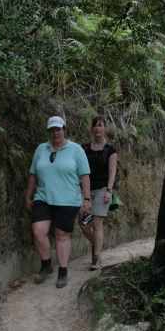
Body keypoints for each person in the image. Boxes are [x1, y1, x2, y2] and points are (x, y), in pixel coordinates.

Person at [26, 115, 91, 288]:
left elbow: (84, 176)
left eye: (58, 129)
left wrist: (86, 199)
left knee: (62, 235)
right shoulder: (41, 149)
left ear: (64, 129)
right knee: (38, 231)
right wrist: (28, 195)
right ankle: (46, 265)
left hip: (68, 199)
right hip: (43, 197)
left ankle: (63, 271)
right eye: (52, 130)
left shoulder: (76, 150)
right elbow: (33, 174)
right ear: (49, 131)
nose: (55, 132)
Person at [80, 115, 118, 270]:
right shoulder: (84, 148)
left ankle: (96, 259)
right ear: (91, 129)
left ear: (105, 129)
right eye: (95, 125)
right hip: (86, 191)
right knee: (83, 224)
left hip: (102, 190)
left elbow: (112, 172)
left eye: (101, 125)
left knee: (97, 223)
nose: (98, 128)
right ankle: (98, 245)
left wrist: (109, 190)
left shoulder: (110, 150)